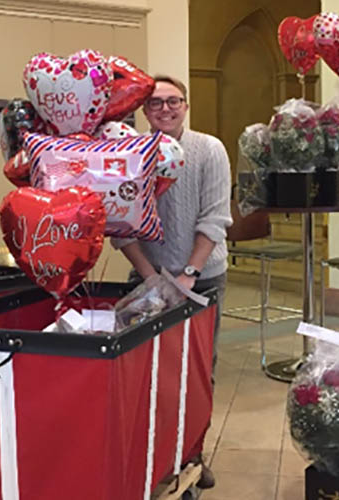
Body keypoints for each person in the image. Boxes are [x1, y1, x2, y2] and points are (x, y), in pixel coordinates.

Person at [112, 75, 232, 489]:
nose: (165, 109)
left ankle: (192, 454)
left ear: (185, 105)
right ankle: (156, 456)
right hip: (148, 277)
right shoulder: (126, 153)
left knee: (199, 372)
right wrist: (152, 280)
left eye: (173, 101)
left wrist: (188, 276)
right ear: (144, 110)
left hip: (203, 278)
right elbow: (120, 223)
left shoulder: (209, 149)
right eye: (156, 103)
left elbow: (215, 218)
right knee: (147, 372)